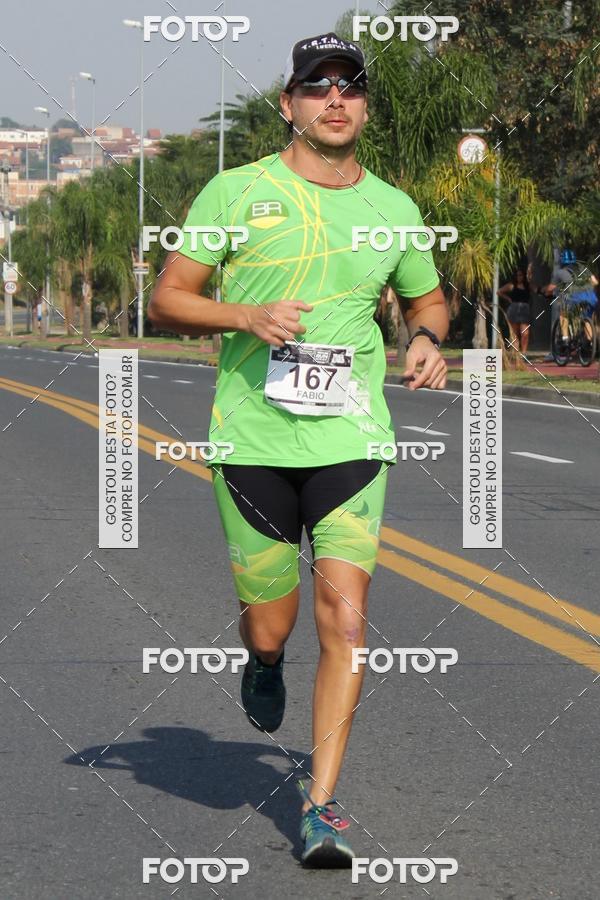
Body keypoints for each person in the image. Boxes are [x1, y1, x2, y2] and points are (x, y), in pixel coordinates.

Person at [148, 31, 449, 867]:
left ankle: (322, 807)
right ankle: (264, 660)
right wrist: (246, 316)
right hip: (251, 438)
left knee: (345, 617)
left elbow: (427, 300)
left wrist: (425, 337)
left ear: (364, 106)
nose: (336, 99)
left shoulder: (394, 207)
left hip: (353, 437)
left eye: (350, 86)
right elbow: (168, 298)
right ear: (290, 105)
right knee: (274, 624)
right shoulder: (235, 193)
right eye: (317, 87)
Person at [538, 249, 598, 360]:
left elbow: (551, 288)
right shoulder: (583, 269)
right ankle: (588, 341)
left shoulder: (559, 273)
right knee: (586, 318)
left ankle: (565, 338)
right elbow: (595, 282)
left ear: (562, 260)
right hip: (591, 298)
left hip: (574, 298)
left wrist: (543, 290)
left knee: (563, 313)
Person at [497, 267, 531, 352]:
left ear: (523, 276)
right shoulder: (511, 285)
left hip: (524, 310)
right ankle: (516, 355)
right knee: (514, 335)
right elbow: (499, 292)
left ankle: (523, 354)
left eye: (520, 275)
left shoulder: (527, 286)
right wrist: (508, 298)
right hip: (514, 309)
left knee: (525, 333)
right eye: (517, 275)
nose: (519, 277)